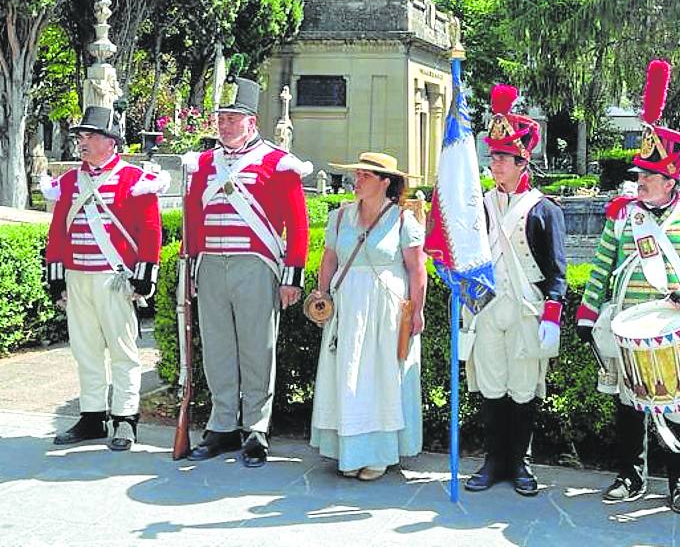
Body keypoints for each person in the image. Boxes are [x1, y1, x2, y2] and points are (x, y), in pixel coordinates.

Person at [575, 60, 680, 515]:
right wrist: (587, 313)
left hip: (676, 327)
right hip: (627, 328)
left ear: (670, 179)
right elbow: (602, 266)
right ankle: (631, 476)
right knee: (629, 408)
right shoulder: (624, 217)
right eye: (639, 175)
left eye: (648, 176)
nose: (639, 181)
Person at [183, 76, 311, 467]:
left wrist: (292, 278)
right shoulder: (203, 164)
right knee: (218, 348)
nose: (225, 126)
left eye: (233, 119)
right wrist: (189, 270)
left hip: (256, 265)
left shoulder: (276, 162)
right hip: (210, 267)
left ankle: (256, 426)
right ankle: (222, 425)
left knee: (258, 348)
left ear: (252, 123)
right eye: (221, 119)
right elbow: (192, 219)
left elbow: (298, 222)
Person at [44, 105, 168, 451]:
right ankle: (92, 416)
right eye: (81, 137)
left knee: (123, 352)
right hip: (78, 278)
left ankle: (125, 418)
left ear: (110, 142)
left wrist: (144, 275)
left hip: (114, 279)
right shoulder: (70, 181)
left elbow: (150, 230)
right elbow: (57, 233)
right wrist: (57, 277)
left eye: (90, 136)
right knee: (85, 350)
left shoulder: (133, 180)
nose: (82, 143)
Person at [463, 84, 567, 497]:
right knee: (490, 386)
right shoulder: (478, 204)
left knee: (523, 388)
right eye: (493, 157)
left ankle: (520, 461)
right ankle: (493, 460)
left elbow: (557, 270)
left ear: (522, 161)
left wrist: (553, 315)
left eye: (503, 158)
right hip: (487, 309)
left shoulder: (544, 209)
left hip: (526, 309)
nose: (495, 165)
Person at [309, 152, 427, 481]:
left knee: (380, 379)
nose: (356, 181)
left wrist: (416, 311)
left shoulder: (403, 220)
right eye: (357, 174)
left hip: (385, 310)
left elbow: (418, 270)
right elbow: (329, 260)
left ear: (385, 182)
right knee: (347, 374)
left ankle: (378, 453)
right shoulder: (339, 217)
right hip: (347, 307)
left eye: (365, 176)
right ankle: (348, 450)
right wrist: (323, 297)